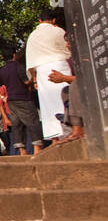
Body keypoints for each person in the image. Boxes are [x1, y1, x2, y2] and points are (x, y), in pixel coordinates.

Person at [26, 10, 72, 146]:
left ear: (40, 20)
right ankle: (71, 128)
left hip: (42, 71)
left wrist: (34, 79)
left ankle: (54, 137)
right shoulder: (59, 31)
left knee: (48, 105)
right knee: (66, 98)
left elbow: (31, 62)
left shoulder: (33, 36)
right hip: (61, 65)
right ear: (53, 20)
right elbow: (68, 49)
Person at [0, 45, 38, 155]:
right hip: (23, 97)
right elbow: (26, 82)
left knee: (16, 125)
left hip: (11, 100)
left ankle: (21, 150)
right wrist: (33, 77)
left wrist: (2, 97)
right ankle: (36, 147)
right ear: (14, 55)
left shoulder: (2, 70)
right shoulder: (18, 66)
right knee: (32, 121)